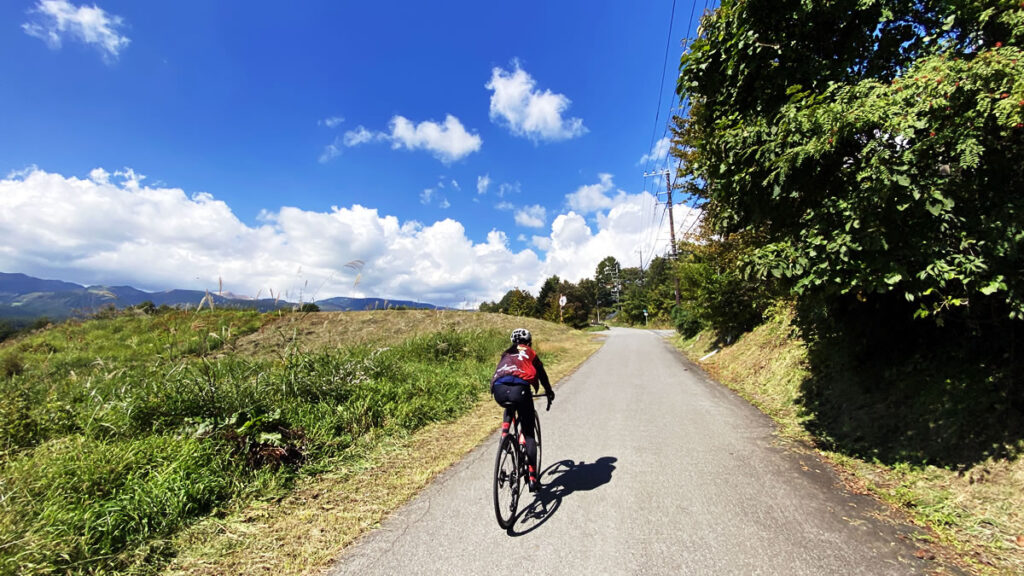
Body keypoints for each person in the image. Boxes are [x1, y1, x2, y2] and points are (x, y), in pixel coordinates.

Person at [490, 327, 554, 492]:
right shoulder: (531, 353)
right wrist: (548, 391)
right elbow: (541, 374)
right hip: (521, 390)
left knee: (509, 404)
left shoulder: (506, 353)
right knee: (529, 434)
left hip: (499, 389)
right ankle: (533, 478)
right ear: (529, 342)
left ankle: (505, 434)